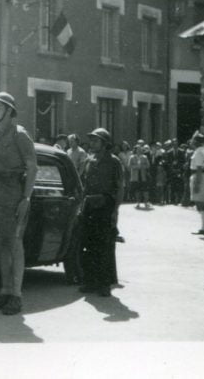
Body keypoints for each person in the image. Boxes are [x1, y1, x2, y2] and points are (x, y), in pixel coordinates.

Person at [0, 92, 37, 316]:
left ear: (9, 111)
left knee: (14, 244)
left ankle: (16, 296)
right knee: (1, 244)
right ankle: (5, 291)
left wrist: (26, 198)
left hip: (13, 191)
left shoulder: (20, 135)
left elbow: (32, 167)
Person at [79, 127, 123, 297]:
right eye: (91, 140)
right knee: (89, 245)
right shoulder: (89, 161)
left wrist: (115, 211)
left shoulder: (114, 162)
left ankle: (105, 283)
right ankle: (91, 281)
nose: (92, 143)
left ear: (105, 144)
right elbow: (84, 185)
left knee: (105, 246)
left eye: (96, 140)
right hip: (90, 206)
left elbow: (119, 187)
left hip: (105, 206)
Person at [189, 132, 204, 236]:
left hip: (199, 176)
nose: (192, 142)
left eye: (193, 140)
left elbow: (198, 168)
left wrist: (197, 184)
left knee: (202, 204)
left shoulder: (199, 152)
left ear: (197, 142)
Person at [128, 144, 150, 209]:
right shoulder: (132, 157)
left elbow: (148, 165)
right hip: (135, 176)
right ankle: (138, 203)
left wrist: (142, 166)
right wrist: (136, 167)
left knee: (145, 190)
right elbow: (129, 166)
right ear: (135, 150)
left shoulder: (144, 157)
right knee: (137, 190)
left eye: (140, 149)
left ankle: (146, 203)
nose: (139, 150)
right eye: (137, 149)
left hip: (143, 175)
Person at [165, 138, 185, 205]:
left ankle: (179, 199)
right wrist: (172, 168)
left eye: (176, 143)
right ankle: (172, 200)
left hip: (179, 170)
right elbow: (167, 162)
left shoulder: (182, 151)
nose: (175, 145)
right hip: (172, 171)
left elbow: (183, 161)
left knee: (179, 185)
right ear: (172, 144)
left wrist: (179, 168)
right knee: (172, 185)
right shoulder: (169, 152)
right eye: (174, 143)